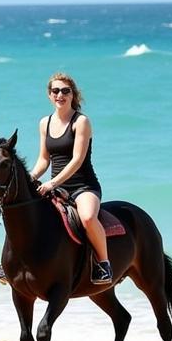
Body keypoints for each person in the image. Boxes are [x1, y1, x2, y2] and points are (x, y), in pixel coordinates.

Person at [29, 72, 113, 284]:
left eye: (65, 91)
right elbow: (43, 159)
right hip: (55, 187)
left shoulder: (81, 121)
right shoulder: (44, 123)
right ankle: (13, 263)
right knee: (24, 212)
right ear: (49, 95)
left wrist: (52, 182)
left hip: (83, 186)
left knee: (87, 217)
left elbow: (77, 160)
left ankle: (104, 264)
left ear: (73, 95)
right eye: (55, 91)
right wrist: (30, 177)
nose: (60, 95)